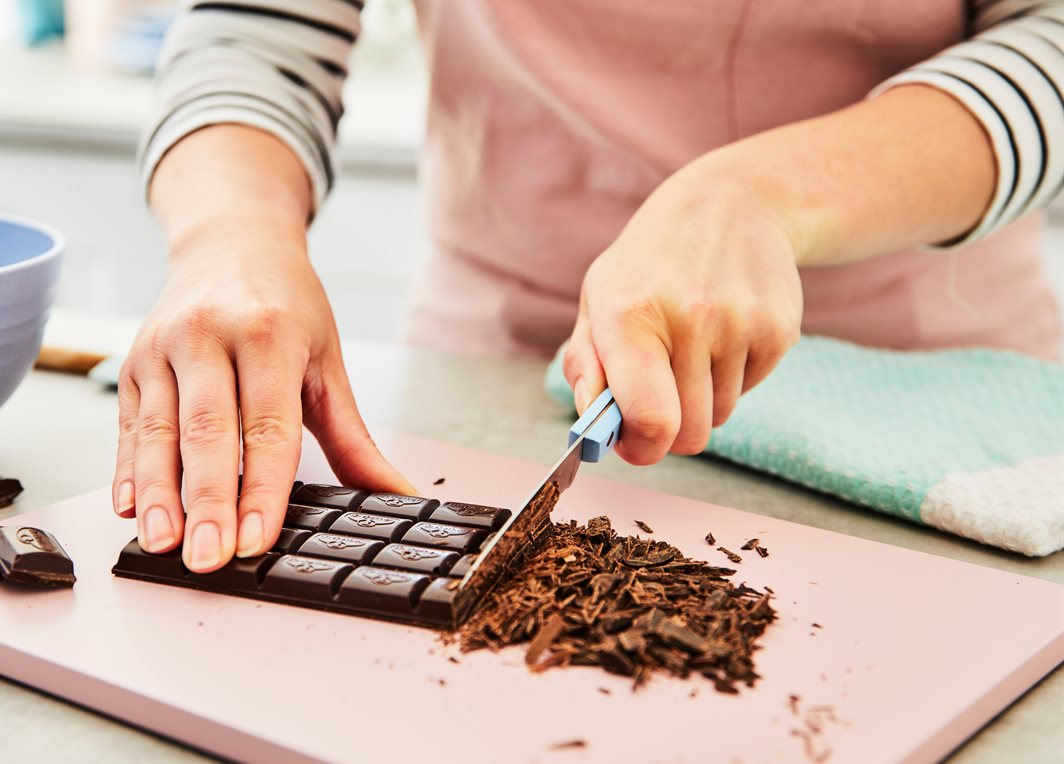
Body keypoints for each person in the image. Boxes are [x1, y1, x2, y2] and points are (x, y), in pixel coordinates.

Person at [113, 0, 1064, 573]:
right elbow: (253, 33)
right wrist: (228, 235)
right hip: (492, 365)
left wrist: (761, 196)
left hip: (940, 394)